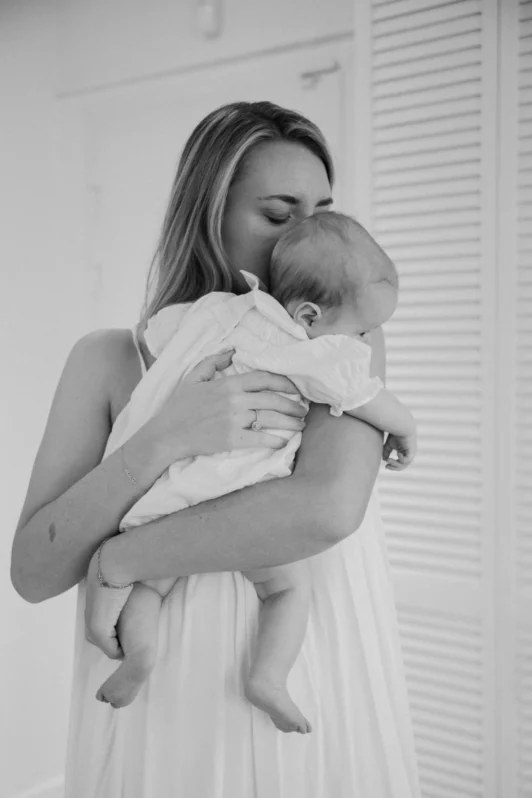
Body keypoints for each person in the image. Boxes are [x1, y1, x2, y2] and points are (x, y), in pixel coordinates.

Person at [11, 101, 421, 797]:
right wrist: (165, 437)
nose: (311, 231)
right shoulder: (109, 359)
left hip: (303, 667)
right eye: (279, 213)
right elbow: (34, 572)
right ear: (210, 214)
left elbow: (325, 509)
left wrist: (120, 557)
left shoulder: (341, 337)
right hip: (157, 696)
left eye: (324, 208)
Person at [93, 212, 418, 737]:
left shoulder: (221, 311)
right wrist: (408, 429)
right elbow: (363, 396)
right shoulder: (320, 351)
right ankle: (267, 678)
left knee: (150, 587)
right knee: (287, 589)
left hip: (181, 483)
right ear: (309, 313)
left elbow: (159, 333)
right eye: (361, 329)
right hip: (248, 493)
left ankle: (140, 657)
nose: (365, 340)